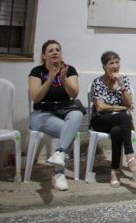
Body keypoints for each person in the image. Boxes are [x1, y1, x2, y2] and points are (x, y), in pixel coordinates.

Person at [28, 39, 83, 191]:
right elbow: (35, 97)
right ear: (44, 56)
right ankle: (59, 174)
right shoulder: (37, 72)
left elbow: (74, 93)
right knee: (69, 131)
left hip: (63, 112)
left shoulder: (69, 70)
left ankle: (59, 154)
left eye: (57, 50)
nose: (55, 53)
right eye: (50, 50)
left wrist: (63, 79)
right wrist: (50, 79)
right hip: (41, 114)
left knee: (77, 115)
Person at [89, 51, 136, 187]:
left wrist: (121, 84)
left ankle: (114, 171)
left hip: (117, 121)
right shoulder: (98, 82)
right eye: (111, 63)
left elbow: (129, 103)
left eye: (117, 62)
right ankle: (130, 155)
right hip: (101, 120)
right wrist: (119, 108)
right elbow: (100, 107)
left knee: (118, 131)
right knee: (124, 116)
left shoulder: (123, 79)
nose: (115, 66)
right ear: (104, 67)